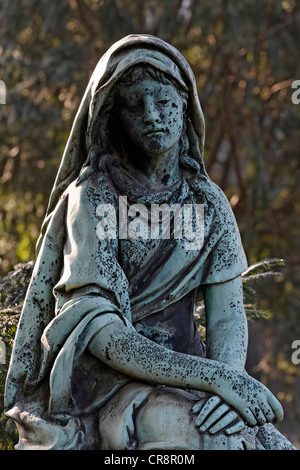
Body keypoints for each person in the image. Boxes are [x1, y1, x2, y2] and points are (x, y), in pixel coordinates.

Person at [4, 34, 295, 450]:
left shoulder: (208, 203)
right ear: (113, 117)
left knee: (252, 439)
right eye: (134, 105)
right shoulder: (94, 198)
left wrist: (225, 387)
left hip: (193, 376)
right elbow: (101, 334)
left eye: (164, 102)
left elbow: (227, 318)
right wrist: (217, 379)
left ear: (185, 108)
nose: (152, 116)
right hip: (110, 380)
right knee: (200, 439)